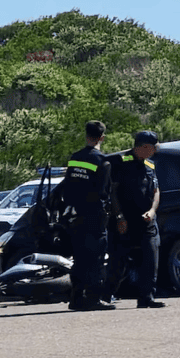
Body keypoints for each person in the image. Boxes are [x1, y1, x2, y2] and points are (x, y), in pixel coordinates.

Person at [106, 131, 165, 308]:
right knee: (118, 262)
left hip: (146, 221)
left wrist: (153, 210)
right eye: (153, 147)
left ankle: (147, 298)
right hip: (124, 222)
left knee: (150, 259)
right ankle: (105, 295)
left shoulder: (150, 165)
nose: (155, 150)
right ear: (143, 147)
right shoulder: (120, 162)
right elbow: (113, 192)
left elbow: (156, 191)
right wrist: (119, 217)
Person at [64, 120, 115, 311]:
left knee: (79, 258)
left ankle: (76, 297)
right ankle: (93, 298)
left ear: (86, 136)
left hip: (76, 215)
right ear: (102, 137)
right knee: (95, 258)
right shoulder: (102, 161)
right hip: (94, 216)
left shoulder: (75, 158)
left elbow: (68, 188)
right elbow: (103, 192)